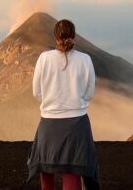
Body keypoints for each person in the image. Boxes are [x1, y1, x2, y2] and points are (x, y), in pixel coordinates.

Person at [27, 19, 100, 190]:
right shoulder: (85, 60)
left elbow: (36, 92)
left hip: (49, 123)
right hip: (77, 125)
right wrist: (75, 102)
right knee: (73, 169)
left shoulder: (44, 59)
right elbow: (89, 93)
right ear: (74, 36)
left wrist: (53, 102)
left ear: (55, 37)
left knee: (46, 167)